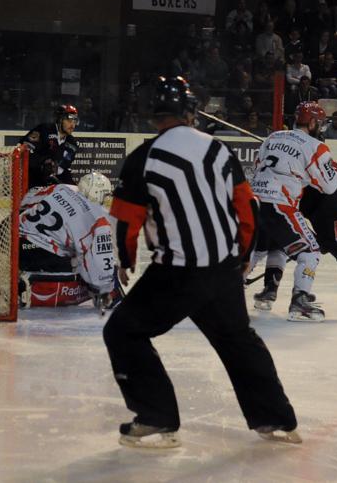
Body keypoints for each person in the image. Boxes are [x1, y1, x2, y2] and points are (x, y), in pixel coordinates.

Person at [104, 76, 299, 448]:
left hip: (177, 271)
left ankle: (157, 416)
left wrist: (126, 260)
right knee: (237, 340)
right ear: (191, 111)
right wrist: (242, 256)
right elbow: (247, 207)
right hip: (223, 267)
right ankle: (277, 419)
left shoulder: (144, 157)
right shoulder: (219, 150)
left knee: (122, 331)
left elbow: (127, 219)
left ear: (153, 115)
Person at [249, 101, 337, 322]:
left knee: (257, 250)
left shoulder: (272, 137)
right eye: (319, 123)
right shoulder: (315, 146)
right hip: (279, 203)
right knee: (310, 251)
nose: (320, 127)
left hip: (253, 201)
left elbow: (256, 165)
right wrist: (334, 171)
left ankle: (223, 291)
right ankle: (299, 301)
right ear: (311, 123)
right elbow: (329, 187)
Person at [18, 172, 116, 312]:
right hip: (43, 254)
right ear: (97, 194)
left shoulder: (61, 188)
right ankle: (33, 287)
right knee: (82, 273)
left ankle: (17, 273)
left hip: (14, 240)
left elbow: (26, 200)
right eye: (105, 195)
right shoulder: (93, 220)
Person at [19, 104, 80, 188]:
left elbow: (63, 169)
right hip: (33, 183)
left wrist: (74, 189)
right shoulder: (44, 130)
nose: (73, 125)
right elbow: (25, 150)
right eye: (69, 120)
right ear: (60, 120)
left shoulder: (72, 143)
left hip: (52, 187)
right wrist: (43, 162)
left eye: (75, 121)